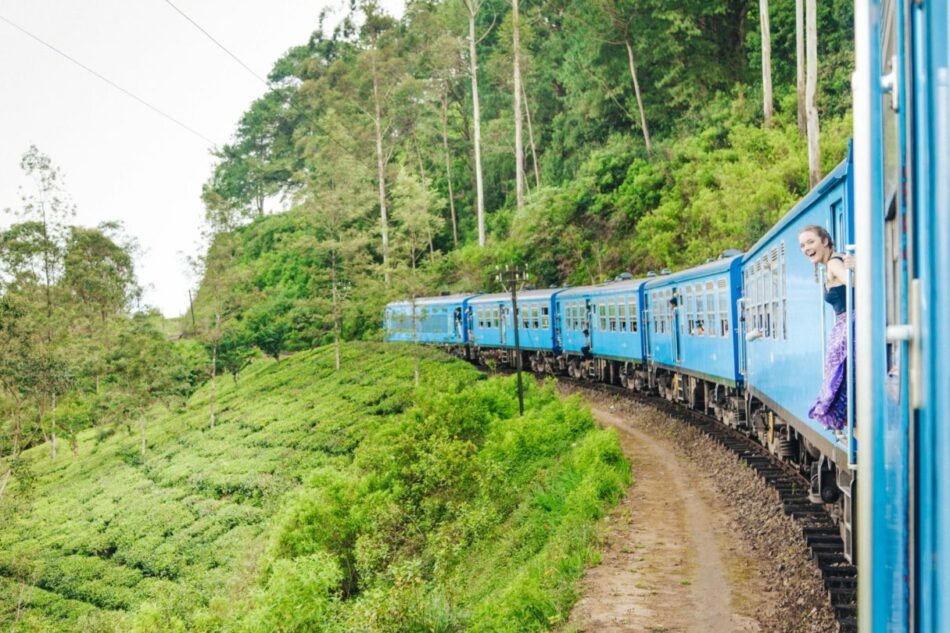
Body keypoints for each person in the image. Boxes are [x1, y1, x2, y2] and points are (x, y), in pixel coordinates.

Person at [798, 225, 854, 431]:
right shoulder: (831, 263)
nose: (806, 248)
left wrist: (860, 267)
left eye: (810, 242)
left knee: (841, 388)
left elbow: (857, 283)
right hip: (847, 327)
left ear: (825, 241)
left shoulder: (833, 263)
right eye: (802, 245)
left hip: (851, 327)